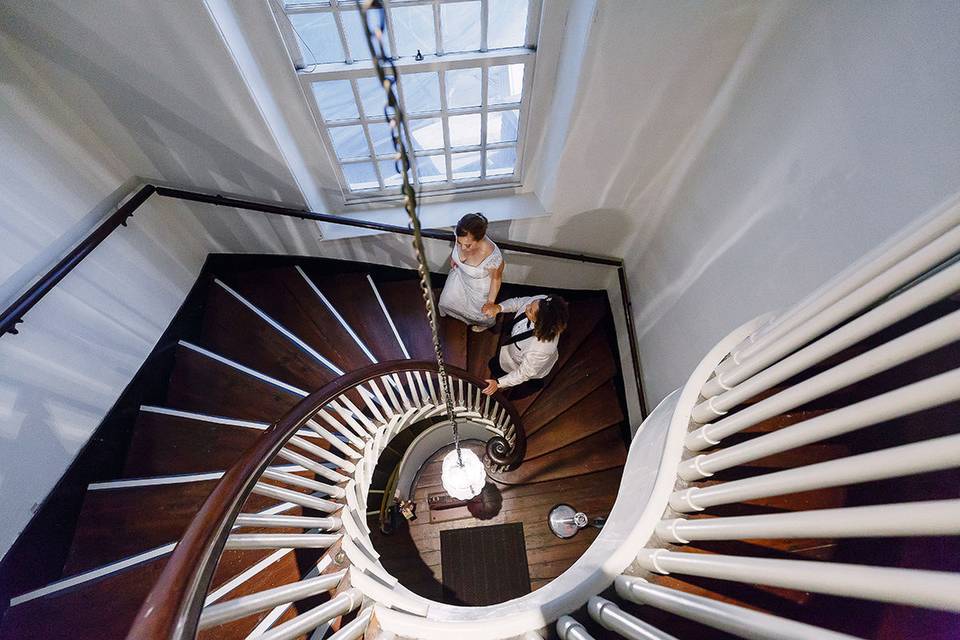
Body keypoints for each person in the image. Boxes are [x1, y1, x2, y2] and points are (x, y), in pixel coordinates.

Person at [481, 294, 569, 396]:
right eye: (531, 305)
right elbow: (519, 302)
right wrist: (499, 307)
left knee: (524, 384)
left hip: (524, 366)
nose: (526, 307)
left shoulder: (541, 348)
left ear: (540, 322)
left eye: (530, 310)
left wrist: (499, 383)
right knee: (495, 365)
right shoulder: (541, 302)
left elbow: (524, 373)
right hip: (510, 354)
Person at [438, 213, 505, 332]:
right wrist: (455, 258)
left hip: (478, 288)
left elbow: (496, 279)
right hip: (460, 277)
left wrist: (490, 302)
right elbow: (458, 246)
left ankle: (485, 325)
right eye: (459, 243)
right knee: (447, 300)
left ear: (480, 239)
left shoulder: (493, 257)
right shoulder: (461, 234)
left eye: (468, 245)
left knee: (479, 312)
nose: (463, 248)